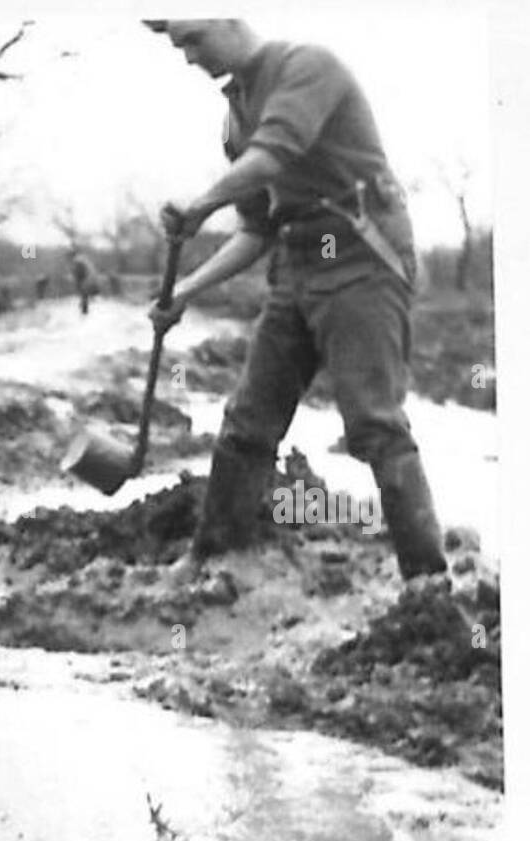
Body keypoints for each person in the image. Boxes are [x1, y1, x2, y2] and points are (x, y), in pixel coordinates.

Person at [141, 20, 447, 583]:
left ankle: (427, 582)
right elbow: (256, 229)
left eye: (193, 38)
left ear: (229, 19)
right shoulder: (236, 116)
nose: (187, 56)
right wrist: (185, 290)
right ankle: (212, 559)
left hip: (362, 260)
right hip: (298, 266)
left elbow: (272, 157)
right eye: (176, 45)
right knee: (247, 422)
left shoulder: (307, 68)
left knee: (375, 424)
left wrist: (203, 203)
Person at [69, 246, 100, 315]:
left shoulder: (78, 261)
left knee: (84, 293)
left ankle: (84, 311)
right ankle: (84, 308)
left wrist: (77, 279)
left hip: (87, 280)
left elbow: (80, 272)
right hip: (90, 279)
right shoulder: (83, 259)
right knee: (84, 294)